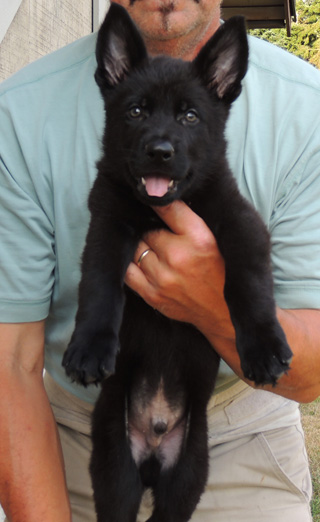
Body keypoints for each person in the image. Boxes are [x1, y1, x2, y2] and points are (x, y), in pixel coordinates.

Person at [0, 0, 320, 520]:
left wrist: (212, 305)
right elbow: (7, 364)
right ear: (111, 76)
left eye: (188, 115)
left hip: (236, 420)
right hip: (82, 418)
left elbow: (307, 376)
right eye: (139, 112)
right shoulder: (18, 113)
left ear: (223, 89)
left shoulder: (306, 109)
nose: (163, 137)